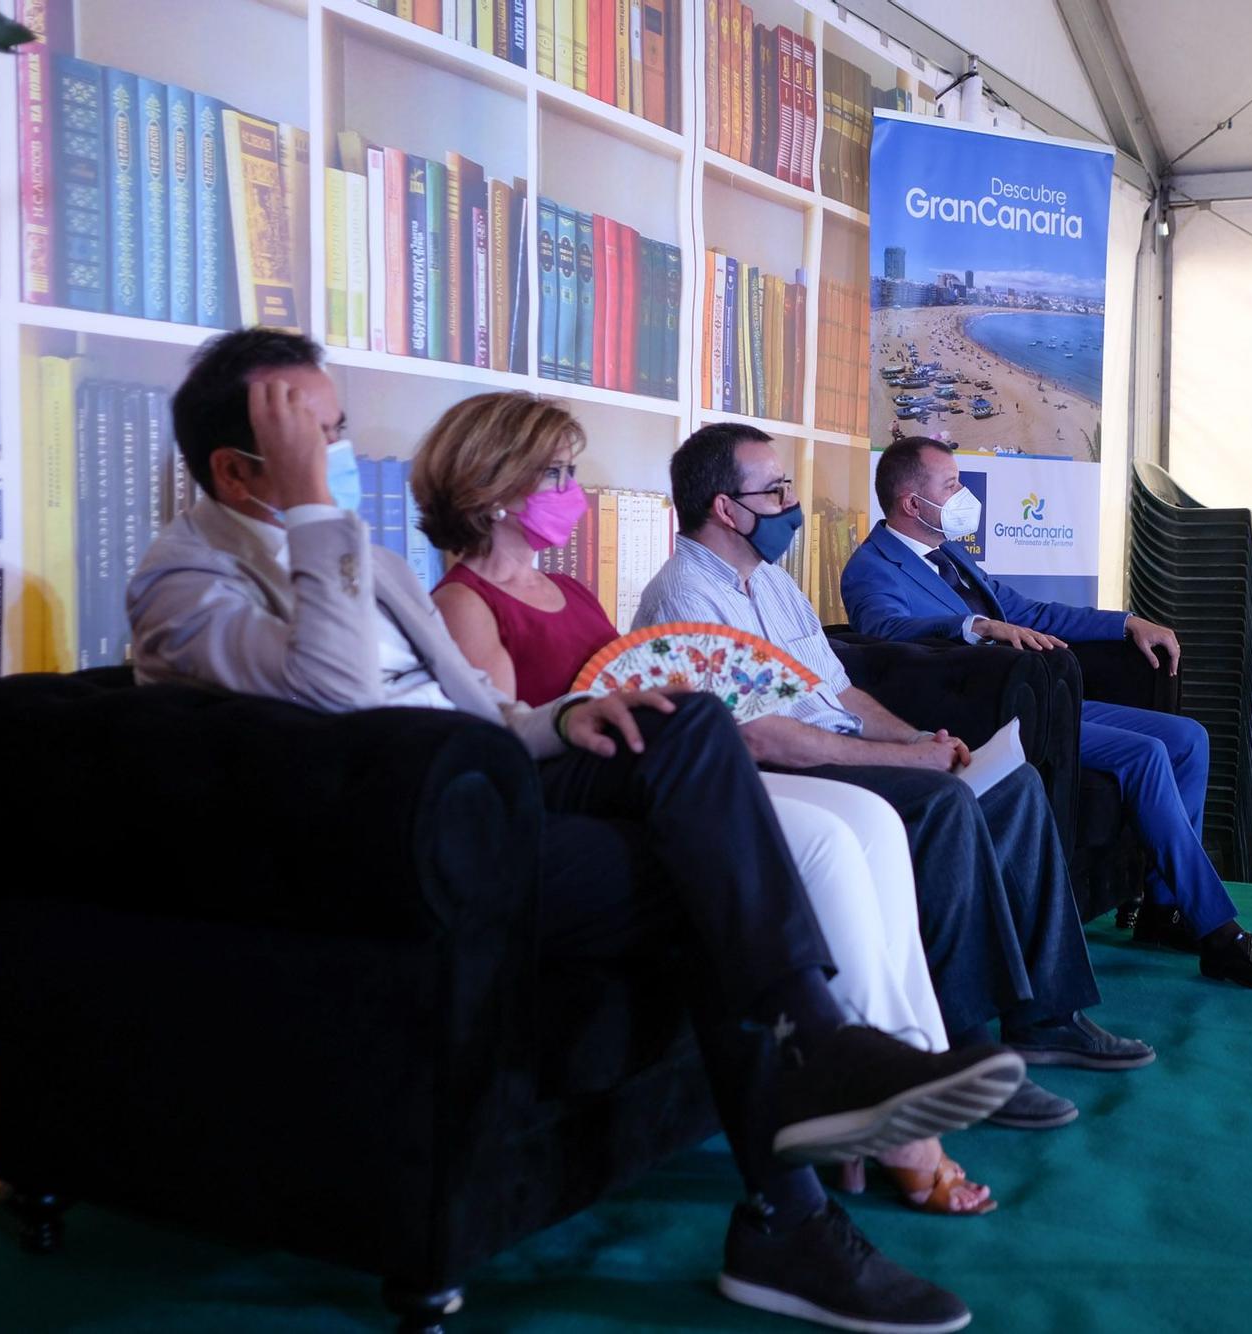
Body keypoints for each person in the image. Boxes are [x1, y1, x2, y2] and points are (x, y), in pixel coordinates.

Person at [127, 330, 1026, 1332]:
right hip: (408, 839)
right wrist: (312, 509)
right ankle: (792, 1191)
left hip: (490, 783)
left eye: (332, 430)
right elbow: (340, 696)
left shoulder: (359, 561)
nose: (334, 449)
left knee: (684, 722)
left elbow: (472, 705)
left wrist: (564, 717)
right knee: (712, 873)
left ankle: (823, 1055)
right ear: (235, 467)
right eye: (313, 433)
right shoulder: (185, 581)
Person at [409, 391, 991, 1217]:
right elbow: (500, 749)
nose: (573, 491)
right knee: (825, 843)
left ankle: (908, 1059)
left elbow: (625, 681)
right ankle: (881, 1108)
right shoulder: (463, 604)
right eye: (557, 473)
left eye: (573, 471)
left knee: (867, 822)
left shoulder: (572, 592)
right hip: (612, 799)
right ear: (495, 485)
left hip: (666, 774)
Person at [636, 421, 1157, 1134]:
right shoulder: (684, 599)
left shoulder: (776, 587)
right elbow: (762, 736)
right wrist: (908, 761)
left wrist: (916, 736)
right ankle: (967, 1054)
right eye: (777, 490)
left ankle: (1047, 1018)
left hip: (833, 745)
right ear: (727, 509)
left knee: (1012, 784)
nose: (791, 503)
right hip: (786, 773)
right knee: (942, 802)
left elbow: (842, 693)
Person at [842, 437, 1252, 992]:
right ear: (909, 502)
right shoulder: (872, 568)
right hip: (987, 715)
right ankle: (1220, 933)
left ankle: (1165, 912)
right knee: (1146, 753)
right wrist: (975, 627)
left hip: (1044, 698)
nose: (964, 495)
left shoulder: (951, 554)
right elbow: (884, 636)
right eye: (951, 486)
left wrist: (1125, 623)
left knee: (1187, 737)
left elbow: (1026, 610)